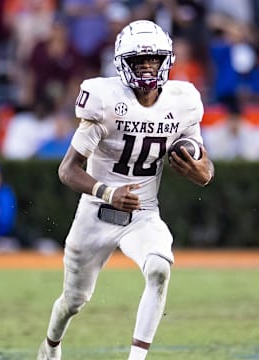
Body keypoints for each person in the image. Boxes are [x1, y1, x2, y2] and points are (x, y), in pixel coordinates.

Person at [37, 20, 215, 360]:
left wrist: (201, 171)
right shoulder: (105, 100)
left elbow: (205, 166)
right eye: (138, 61)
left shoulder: (184, 101)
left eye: (153, 59)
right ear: (123, 64)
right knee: (74, 301)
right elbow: (67, 169)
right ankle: (51, 345)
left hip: (143, 214)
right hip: (96, 213)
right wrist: (108, 192)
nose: (147, 67)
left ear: (167, 60)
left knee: (160, 266)